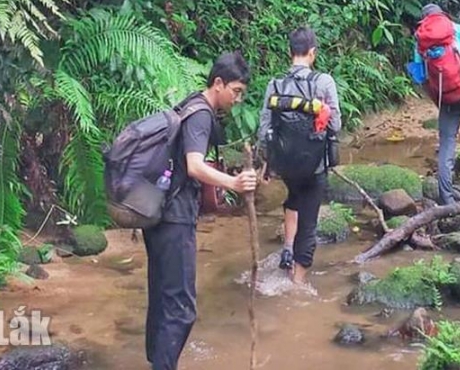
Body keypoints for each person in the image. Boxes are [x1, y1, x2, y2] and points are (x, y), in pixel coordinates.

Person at [144, 52, 258, 370]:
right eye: (235, 91)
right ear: (218, 83)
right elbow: (194, 166)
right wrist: (235, 183)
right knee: (181, 309)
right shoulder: (201, 114)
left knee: (162, 299)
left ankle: (157, 361)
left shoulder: (189, 103)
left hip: (160, 214)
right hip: (174, 218)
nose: (238, 99)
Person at [258, 27, 341, 286]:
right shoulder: (323, 82)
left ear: (289, 52)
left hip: (285, 164)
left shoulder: (275, 84)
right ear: (313, 53)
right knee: (309, 222)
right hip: (314, 164)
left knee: (293, 197)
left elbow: (265, 128)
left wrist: (266, 163)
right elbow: (335, 123)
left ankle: (287, 247)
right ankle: (297, 283)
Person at [410, 4, 460, 205]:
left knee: (446, 145)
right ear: (443, 15)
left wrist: (439, 98)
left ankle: (447, 201)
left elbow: (421, 78)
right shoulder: (458, 30)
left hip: (445, 99)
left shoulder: (421, 40)